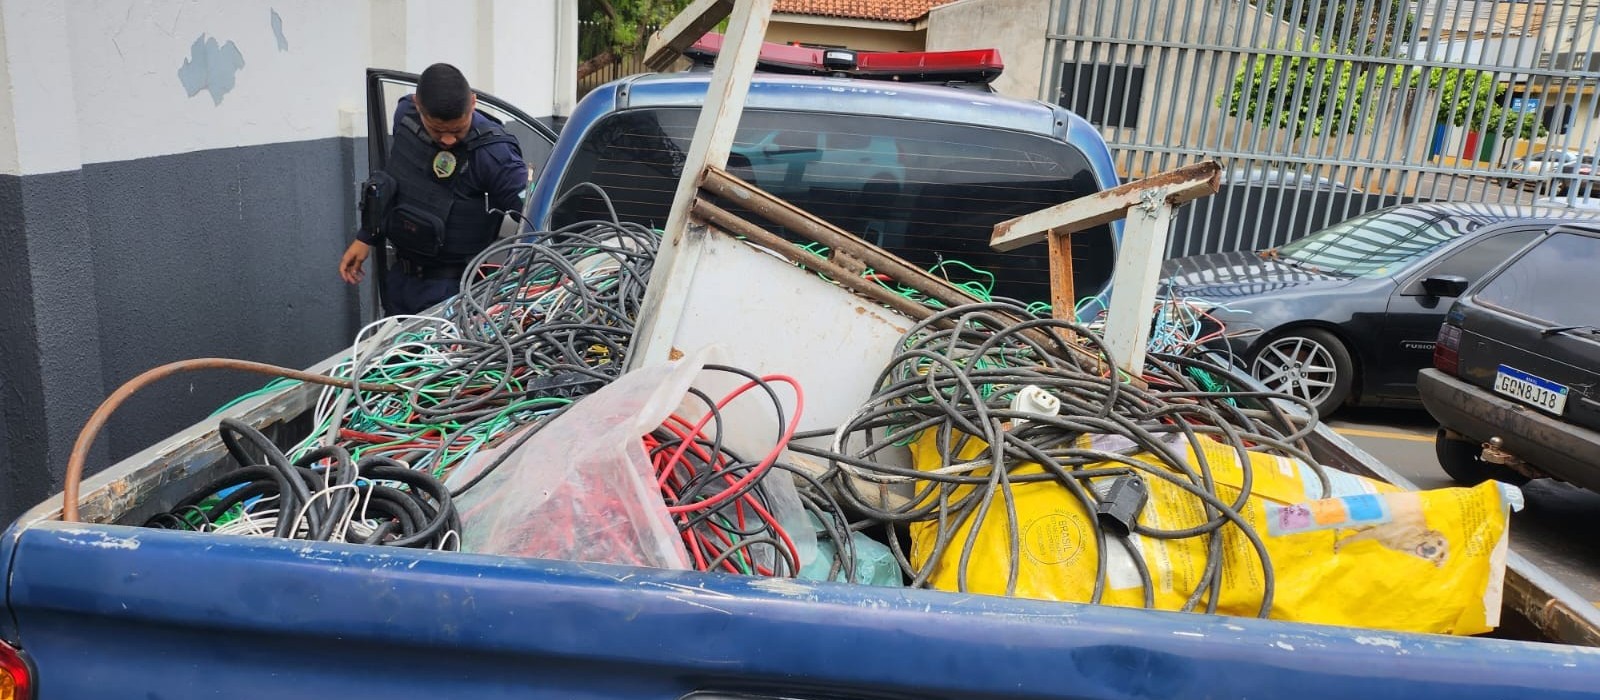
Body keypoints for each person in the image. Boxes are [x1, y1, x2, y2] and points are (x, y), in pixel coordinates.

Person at [339, 63, 529, 316]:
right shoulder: (405, 117)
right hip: (400, 282)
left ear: (473, 103)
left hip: (454, 293)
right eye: (438, 130)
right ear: (418, 106)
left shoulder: (495, 154)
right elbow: (394, 181)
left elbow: (536, 216)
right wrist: (367, 236)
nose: (448, 140)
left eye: (457, 130)